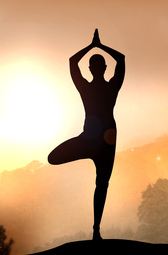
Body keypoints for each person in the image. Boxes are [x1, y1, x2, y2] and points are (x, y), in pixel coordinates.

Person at [48, 29, 125, 240]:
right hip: (105, 138)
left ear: (91, 69)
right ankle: (96, 230)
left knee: (100, 182)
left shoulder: (86, 87)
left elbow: (73, 62)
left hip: (92, 139)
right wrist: (100, 46)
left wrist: (92, 46)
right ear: (104, 68)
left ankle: (96, 231)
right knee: (102, 184)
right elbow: (121, 59)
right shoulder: (112, 87)